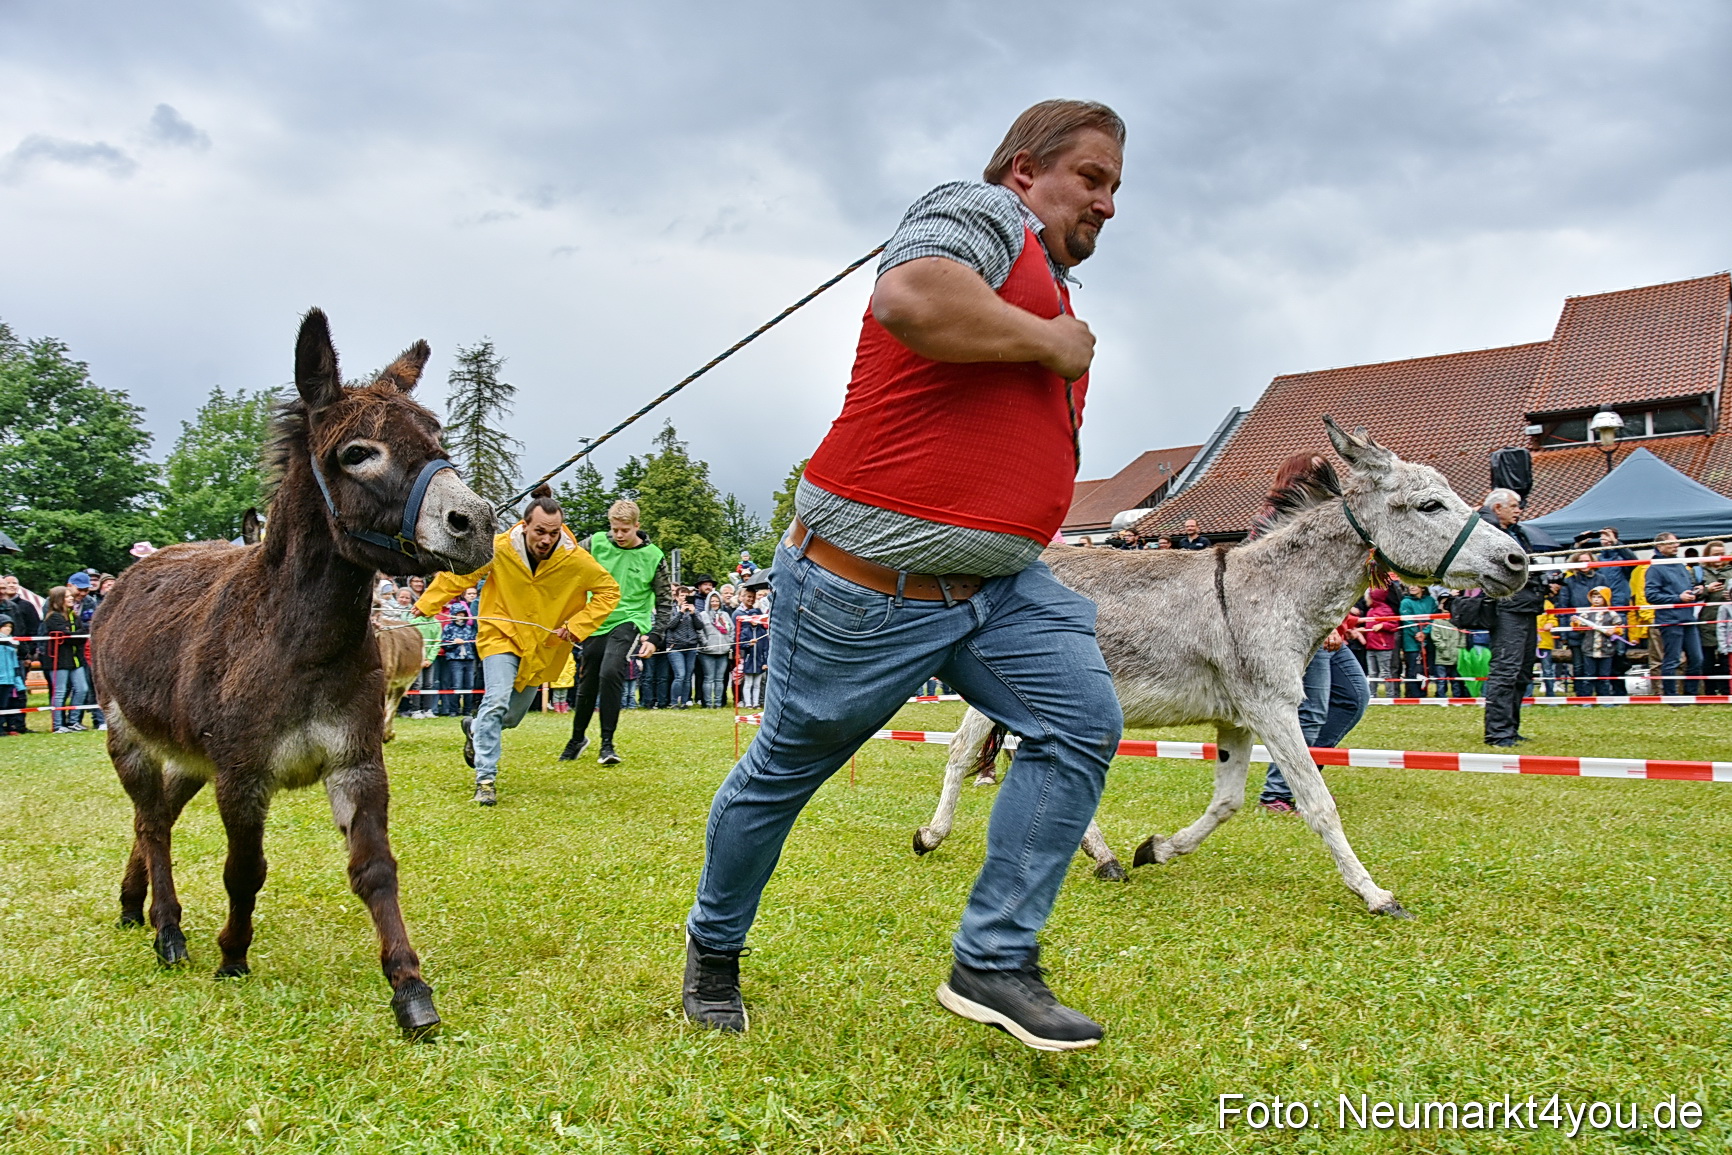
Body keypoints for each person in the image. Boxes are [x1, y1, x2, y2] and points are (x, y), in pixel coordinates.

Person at [682, 100, 1126, 1051]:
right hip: (865, 585)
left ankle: (994, 960)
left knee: (1082, 718)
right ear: (1022, 170)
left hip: (1001, 587)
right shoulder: (974, 211)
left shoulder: (1042, 278)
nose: (1108, 203)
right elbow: (911, 299)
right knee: (782, 775)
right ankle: (713, 948)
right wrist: (1054, 344)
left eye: (1116, 187)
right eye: (1091, 177)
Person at [414, 487, 620, 806]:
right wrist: (428, 603)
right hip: (500, 634)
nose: (546, 539)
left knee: (508, 718)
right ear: (525, 526)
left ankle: (475, 729)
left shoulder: (576, 560)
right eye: (539, 531)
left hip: (541, 649)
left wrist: (577, 626)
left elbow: (608, 591)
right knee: (496, 701)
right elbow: (460, 576)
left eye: (552, 533)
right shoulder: (498, 549)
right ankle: (485, 780)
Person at [561, 499, 673, 765]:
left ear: (636, 526)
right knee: (588, 680)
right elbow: (565, 562)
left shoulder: (654, 556)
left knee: (610, 671)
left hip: (630, 620)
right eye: (615, 530)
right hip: (596, 619)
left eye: (625, 530)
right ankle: (577, 738)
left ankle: (607, 745)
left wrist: (656, 637)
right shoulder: (595, 543)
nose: (619, 535)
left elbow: (665, 600)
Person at [1645, 531, 1707, 696]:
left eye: (1676, 543)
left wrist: (1698, 590)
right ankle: (1671, 696)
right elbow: (1651, 595)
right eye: (1672, 543)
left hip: (1688, 617)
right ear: (1660, 546)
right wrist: (1677, 598)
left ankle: (1691, 694)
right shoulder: (1654, 568)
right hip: (1670, 619)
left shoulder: (1680, 564)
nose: (1676, 546)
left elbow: (1687, 586)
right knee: (1671, 660)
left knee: (1697, 658)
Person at [42, 587, 92, 733]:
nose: (71, 598)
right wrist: (75, 635)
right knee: (60, 691)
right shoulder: (53, 617)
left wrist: (74, 635)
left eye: (71, 596)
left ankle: (74, 721)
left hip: (76, 659)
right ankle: (58, 724)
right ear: (59, 599)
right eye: (67, 596)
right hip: (59, 660)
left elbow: (81, 635)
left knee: (82, 689)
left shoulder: (74, 616)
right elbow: (66, 636)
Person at [1574, 587, 1625, 697]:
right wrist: (1575, 623)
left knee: (1604, 677)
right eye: (1594, 597)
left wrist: (1615, 630)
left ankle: (1604, 698)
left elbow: (1621, 628)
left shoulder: (1612, 614)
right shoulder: (1586, 614)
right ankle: (1587, 699)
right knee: (1588, 676)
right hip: (1589, 649)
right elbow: (1579, 629)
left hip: (1606, 650)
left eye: (1599, 597)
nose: (1596, 599)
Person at [1694, 541, 1731, 687]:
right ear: (1707, 556)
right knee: (1707, 660)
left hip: (1728, 624)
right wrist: (1706, 590)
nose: (1719, 557)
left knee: (1726, 660)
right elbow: (1690, 592)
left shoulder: (1730, 571)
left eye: (1722, 554)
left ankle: (1726, 691)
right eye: (1716, 555)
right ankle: (1709, 691)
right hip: (1705, 622)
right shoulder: (1697, 572)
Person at [436, 602, 479, 717]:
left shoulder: (470, 628)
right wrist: (454, 643)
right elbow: (444, 645)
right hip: (455, 660)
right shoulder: (449, 628)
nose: (460, 617)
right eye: (457, 614)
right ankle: (453, 710)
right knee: (456, 685)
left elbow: (475, 643)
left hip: (469, 659)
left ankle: (467, 710)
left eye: (462, 614)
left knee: (469, 686)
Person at [663, 593, 704, 708]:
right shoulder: (672, 610)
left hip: (691, 646)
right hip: (675, 647)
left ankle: (685, 702)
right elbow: (670, 625)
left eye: (687, 596)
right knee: (680, 675)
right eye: (682, 595)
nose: (684, 598)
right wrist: (680, 612)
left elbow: (700, 626)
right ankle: (674, 702)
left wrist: (693, 614)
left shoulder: (694, 611)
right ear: (676, 597)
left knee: (687, 677)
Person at [1396, 583, 1436, 697]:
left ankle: (1423, 692)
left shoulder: (1430, 601)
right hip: (1411, 642)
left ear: (1422, 587)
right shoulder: (1405, 602)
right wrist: (1417, 634)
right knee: (1412, 668)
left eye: (1415, 585)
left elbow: (1434, 618)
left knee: (1425, 668)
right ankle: (1412, 694)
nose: (1412, 587)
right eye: (1410, 585)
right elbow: (1407, 621)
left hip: (1427, 640)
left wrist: (1426, 632)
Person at [733, 588, 769, 709]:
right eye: (748, 596)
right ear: (741, 597)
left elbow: (765, 647)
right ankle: (744, 701)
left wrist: (765, 661)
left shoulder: (761, 631)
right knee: (743, 680)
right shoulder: (738, 614)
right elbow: (737, 636)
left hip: (759, 659)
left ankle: (757, 702)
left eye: (752, 597)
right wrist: (741, 648)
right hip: (746, 656)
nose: (750, 599)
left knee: (758, 683)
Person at [697, 592, 734, 708]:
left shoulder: (725, 615)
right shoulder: (703, 615)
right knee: (708, 678)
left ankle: (718, 703)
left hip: (722, 651)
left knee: (719, 679)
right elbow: (699, 630)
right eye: (712, 601)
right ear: (708, 602)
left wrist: (729, 643)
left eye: (717, 601)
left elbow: (732, 630)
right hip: (707, 652)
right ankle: (708, 703)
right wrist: (705, 642)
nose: (714, 603)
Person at [1361, 586, 1399, 695]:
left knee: (1385, 672)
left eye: (1367, 597)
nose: (1366, 600)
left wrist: (1383, 625)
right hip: (1370, 646)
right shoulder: (1370, 611)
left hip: (1383, 647)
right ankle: (1372, 693)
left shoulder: (1386, 610)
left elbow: (1394, 624)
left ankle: (1390, 694)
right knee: (1372, 673)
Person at [0, 616, 26, 735]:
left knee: (6, 705)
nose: (8, 629)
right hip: (1, 678)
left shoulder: (13, 643)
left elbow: (15, 664)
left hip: (9, 678)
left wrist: (19, 683)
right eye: (5, 626)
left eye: (10, 627)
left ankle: (8, 727)